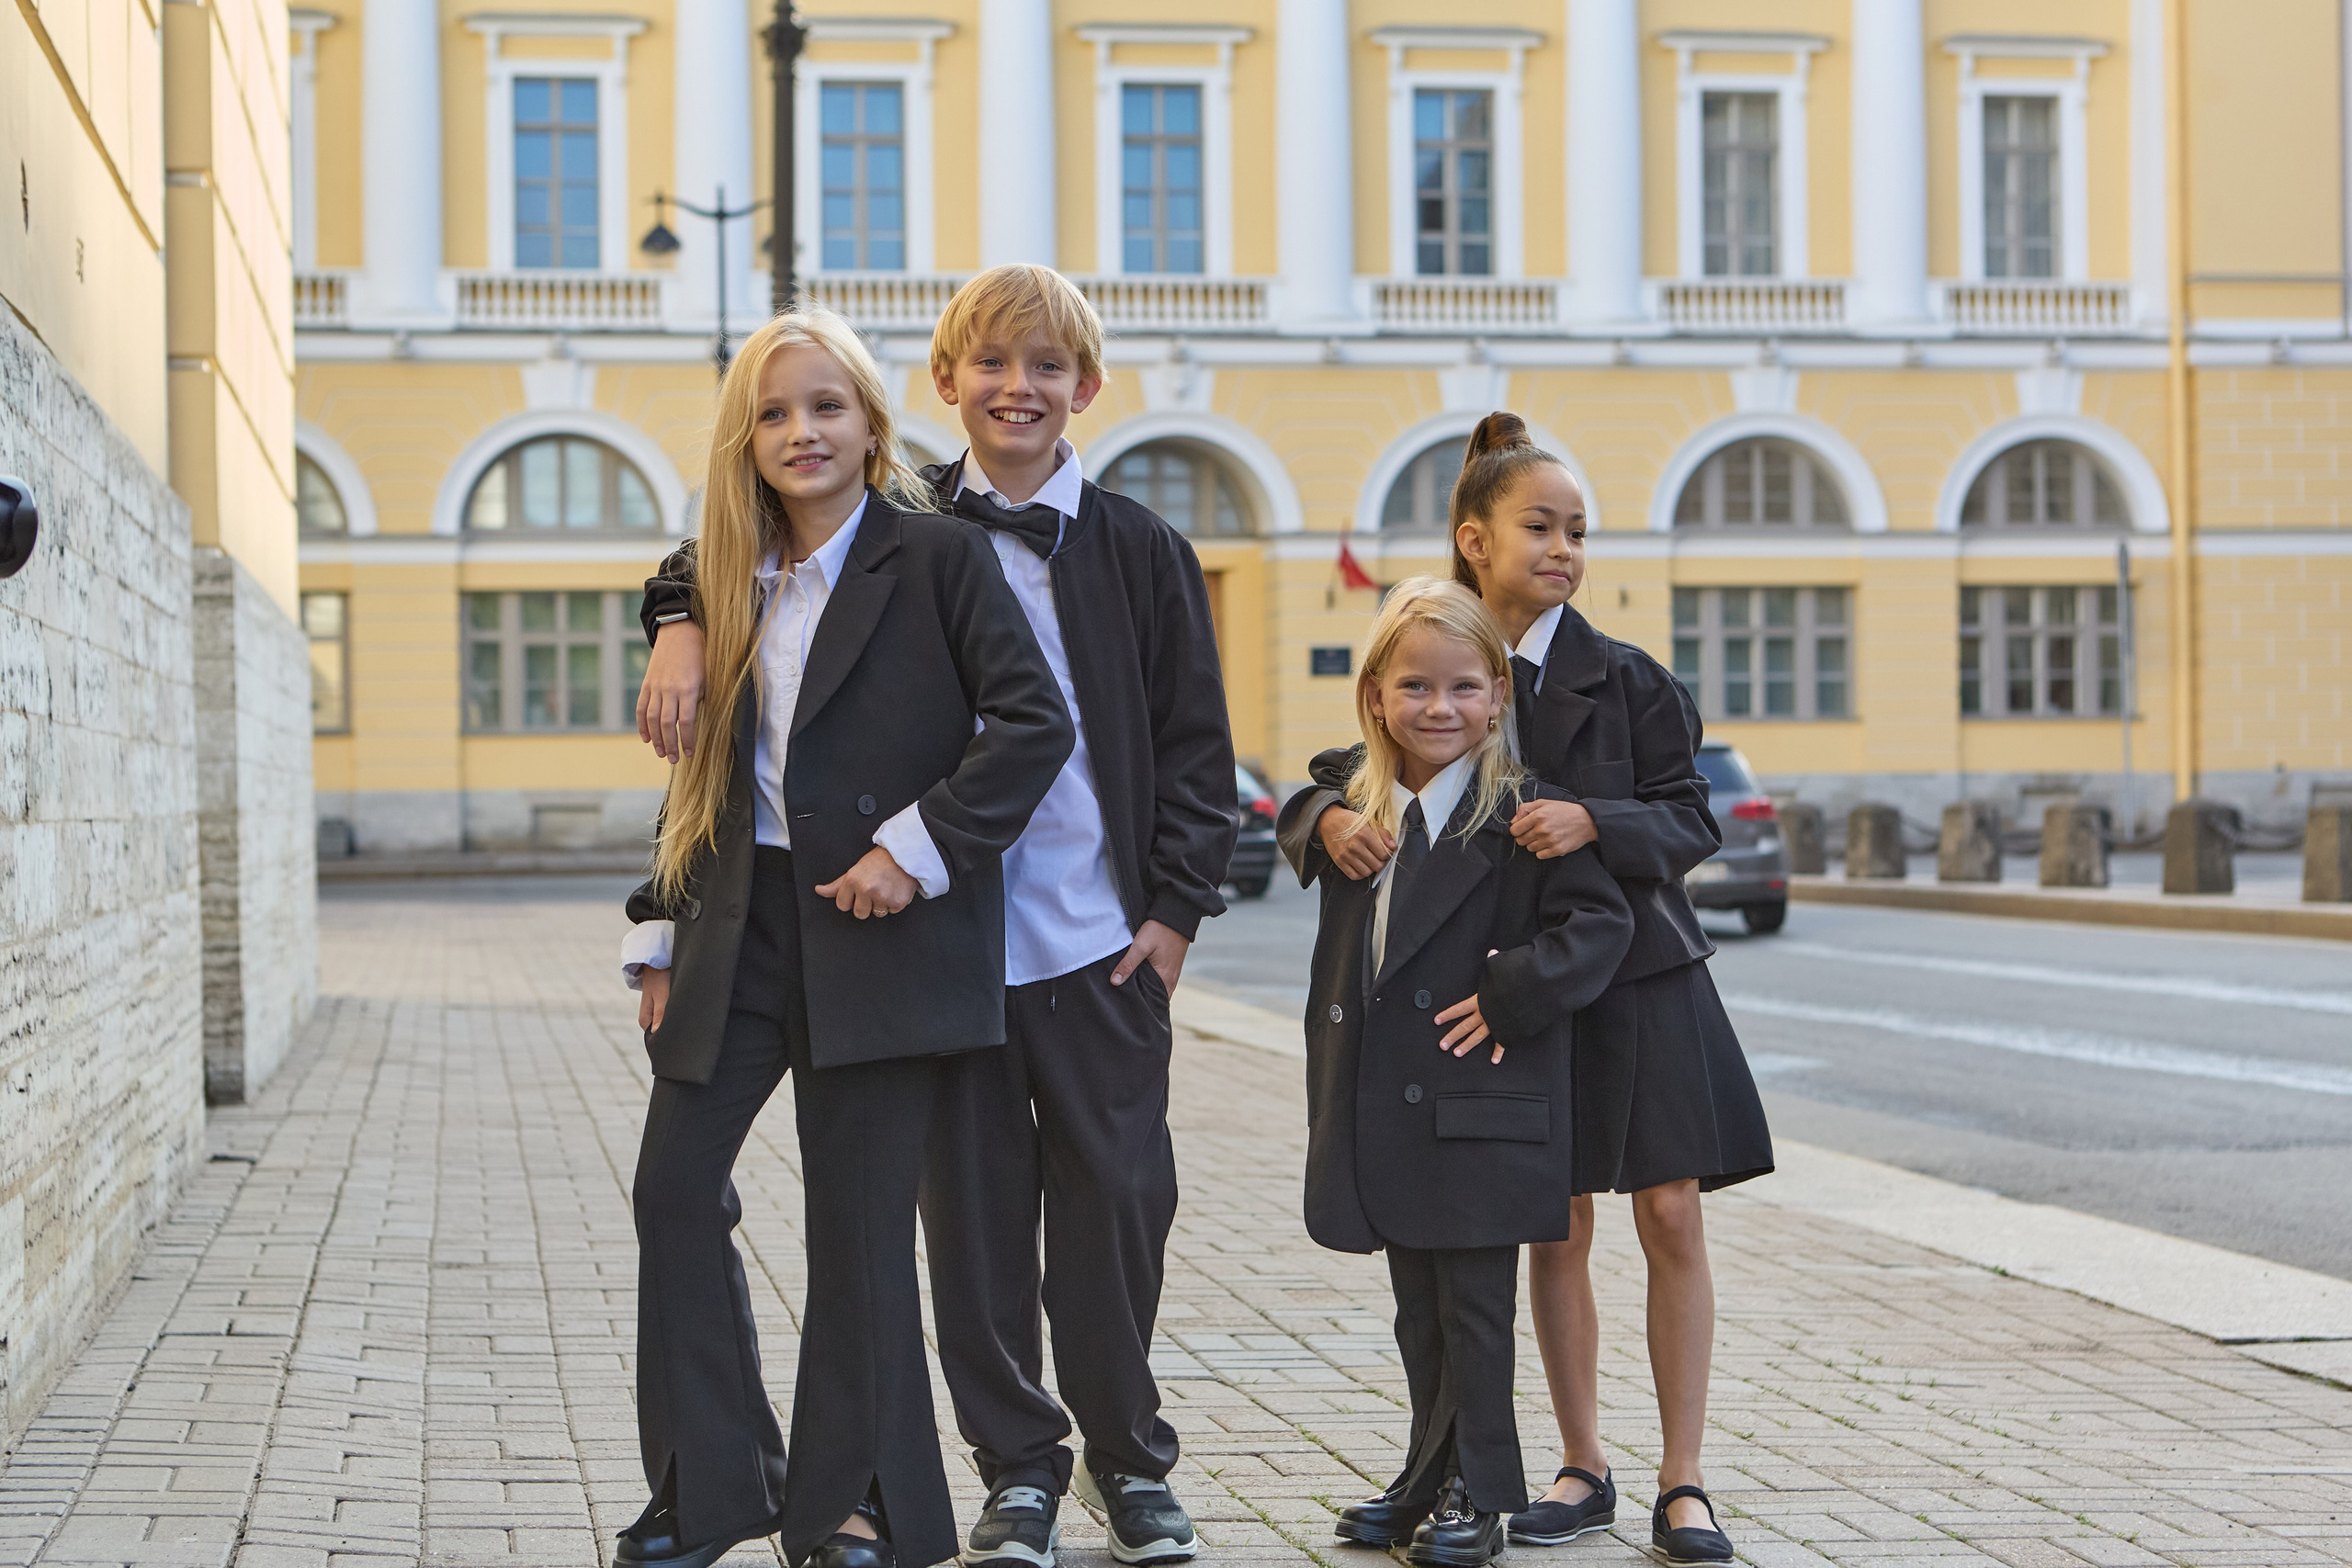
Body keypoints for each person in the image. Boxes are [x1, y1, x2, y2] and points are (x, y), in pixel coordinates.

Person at [635, 264, 1238, 1568]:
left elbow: (1194, 741)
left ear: (1087, 385)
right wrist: (676, 616)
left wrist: (1175, 913)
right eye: (994, 365)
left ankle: (1131, 1459)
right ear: (944, 383)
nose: (1019, 389)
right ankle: (1018, 1467)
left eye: (1047, 366)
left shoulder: (1138, 546)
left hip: (1089, 934)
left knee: (1116, 1203)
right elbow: (739, 542)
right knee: (968, 1227)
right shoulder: (905, 513)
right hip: (935, 943)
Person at [616, 306, 1075, 1568]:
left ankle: (854, 1505)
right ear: (744, 438)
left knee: (859, 1231)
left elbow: (1032, 724)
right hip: (738, 925)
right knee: (671, 1191)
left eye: (825, 406)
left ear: (873, 423)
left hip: (883, 927)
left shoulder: (941, 559)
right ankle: (713, 1485)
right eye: (772, 413)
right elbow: (708, 775)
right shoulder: (720, 572)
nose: (800, 431)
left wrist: (914, 849)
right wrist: (661, 930)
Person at [1279, 414, 1772, 1568]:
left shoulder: (1628, 678)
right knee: (1548, 1221)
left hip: (1637, 981)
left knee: (1669, 1211)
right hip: (1501, 995)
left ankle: (1684, 1480)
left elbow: (1693, 819)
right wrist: (1324, 820)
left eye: (1577, 532)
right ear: (1476, 539)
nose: (1564, 550)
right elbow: (1339, 775)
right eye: (1540, 528)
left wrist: (1596, 818)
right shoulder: (1434, 650)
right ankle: (1578, 1465)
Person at [1277, 578, 1631, 1568]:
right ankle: (1425, 1474)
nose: (1440, 708)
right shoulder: (1357, 805)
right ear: (1375, 696)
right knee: (1418, 1310)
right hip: (1386, 1099)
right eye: (1416, 687)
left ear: (1498, 696)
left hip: (1482, 1103)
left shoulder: (1522, 812)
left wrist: (1513, 993)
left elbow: (1600, 923)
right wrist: (1318, 817)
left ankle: (1481, 1489)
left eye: (1465, 687)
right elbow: (1300, 800)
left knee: (1474, 1308)